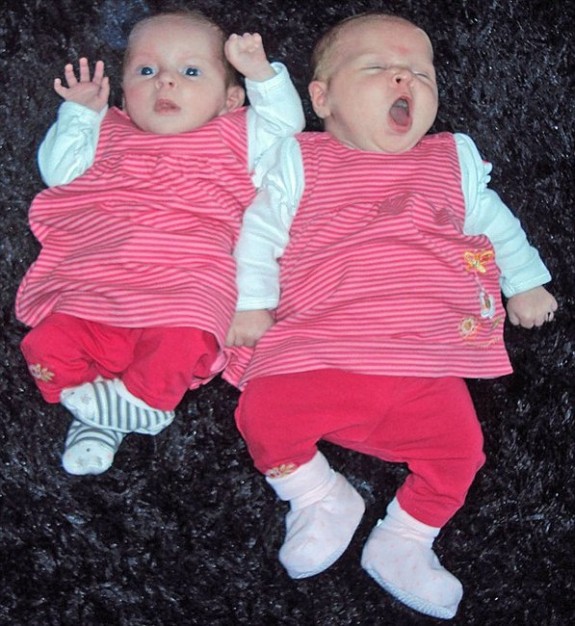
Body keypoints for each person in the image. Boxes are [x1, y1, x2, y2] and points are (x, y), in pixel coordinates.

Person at [224, 12, 558, 620]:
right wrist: (253, 303)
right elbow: (259, 232)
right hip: (320, 345)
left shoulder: (449, 162)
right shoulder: (302, 160)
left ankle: (405, 539)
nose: (404, 78)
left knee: (461, 451)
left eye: (421, 74)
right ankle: (318, 495)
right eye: (377, 67)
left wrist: (526, 281)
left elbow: (497, 223)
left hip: (424, 357)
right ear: (322, 99)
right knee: (261, 412)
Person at [15, 9, 304, 476]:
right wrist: (80, 113)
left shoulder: (236, 133)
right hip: (100, 282)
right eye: (146, 70)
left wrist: (260, 74)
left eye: (190, 72)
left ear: (230, 99)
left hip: (185, 286)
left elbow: (285, 127)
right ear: (124, 94)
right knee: (46, 343)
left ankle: (139, 401)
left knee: (186, 339)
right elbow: (60, 173)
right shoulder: (109, 130)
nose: (165, 82)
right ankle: (103, 412)